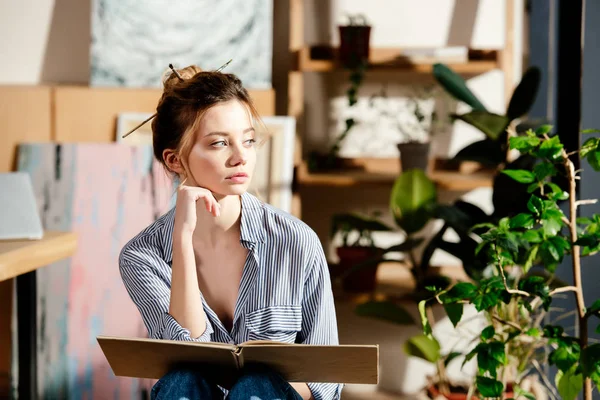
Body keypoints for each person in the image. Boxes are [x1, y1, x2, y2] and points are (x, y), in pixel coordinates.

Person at [118, 64, 343, 400]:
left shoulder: (296, 242)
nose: (241, 158)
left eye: (248, 140)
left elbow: (326, 381)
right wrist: (181, 240)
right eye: (220, 143)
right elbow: (187, 352)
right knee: (183, 378)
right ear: (174, 160)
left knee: (257, 384)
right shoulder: (142, 257)